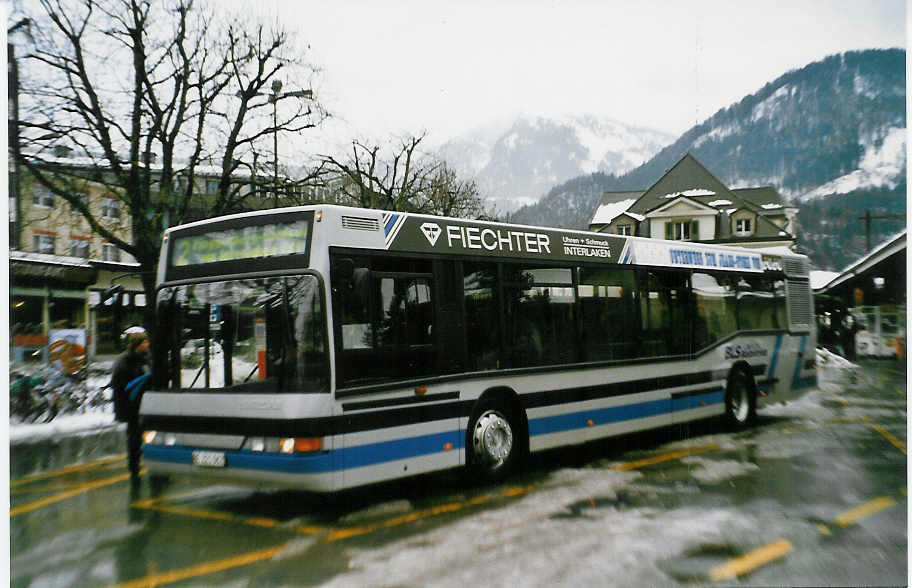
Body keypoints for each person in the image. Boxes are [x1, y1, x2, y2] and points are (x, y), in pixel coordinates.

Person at [111, 326, 150, 482]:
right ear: (137, 344)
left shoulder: (146, 358)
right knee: (134, 437)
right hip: (132, 406)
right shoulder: (124, 361)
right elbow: (120, 386)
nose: (147, 345)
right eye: (145, 342)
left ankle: (150, 462)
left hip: (147, 404)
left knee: (149, 435)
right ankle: (134, 466)